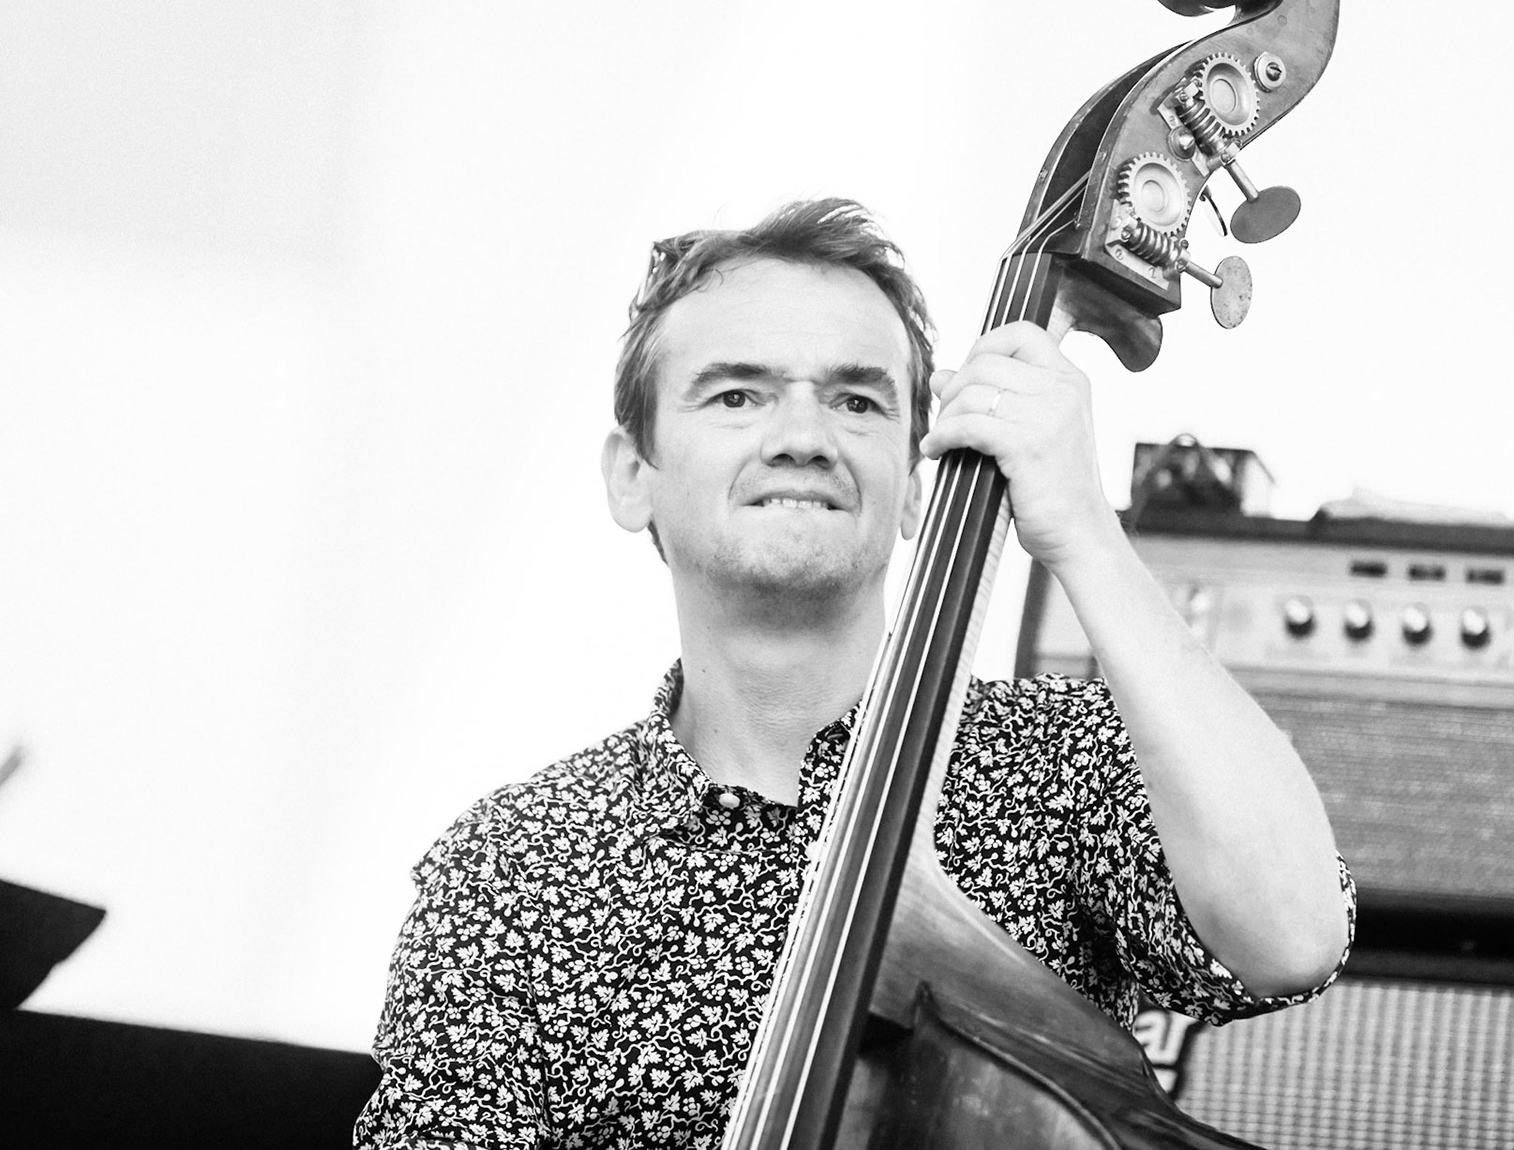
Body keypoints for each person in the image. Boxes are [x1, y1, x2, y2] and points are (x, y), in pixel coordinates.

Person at [354, 198, 1353, 1149]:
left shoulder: (1062, 763)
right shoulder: (513, 867)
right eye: (738, 393)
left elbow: (1293, 932)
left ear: (917, 481)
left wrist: (1085, 531)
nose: (803, 437)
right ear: (631, 475)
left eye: (857, 399)